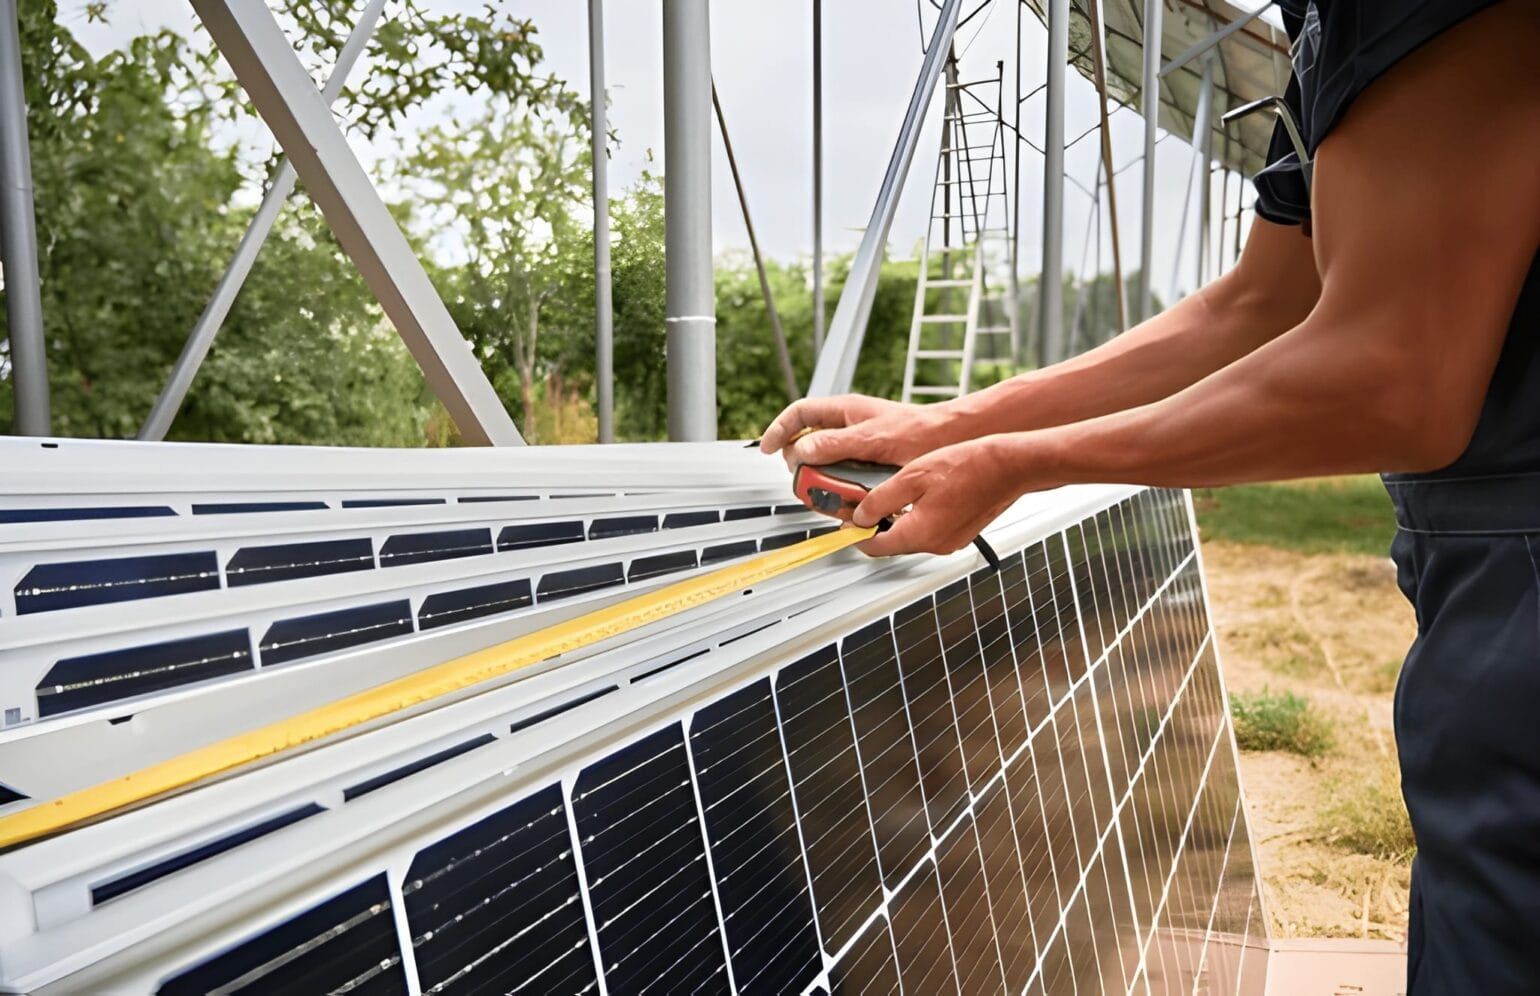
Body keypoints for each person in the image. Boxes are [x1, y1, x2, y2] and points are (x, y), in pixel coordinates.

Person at [760, 1, 1539, 990]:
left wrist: (1019, 463)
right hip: (1481, 565)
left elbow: (1393, 377)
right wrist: (953, 427)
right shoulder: (1331, 33)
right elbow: (1261, 305)